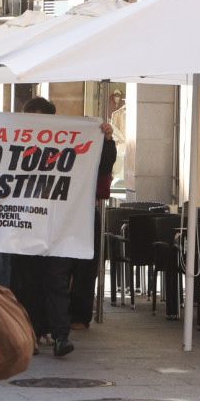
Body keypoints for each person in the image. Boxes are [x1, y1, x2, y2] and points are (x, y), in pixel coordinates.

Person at [16, 96, 74, 358]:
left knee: (56, 280)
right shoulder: (16, 141)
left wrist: (105, 141)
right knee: (28, 283)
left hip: (57, 227)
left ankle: (60, 335)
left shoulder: (67, 142)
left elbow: (99, 164)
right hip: (25, 227)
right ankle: (34, 333)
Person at [69, 119, 120, 330]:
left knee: (85, 265)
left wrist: (107, 140)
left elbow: (105, 165)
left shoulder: (91, 155)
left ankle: (79, 315)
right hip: (62, 213)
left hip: (85, 212)